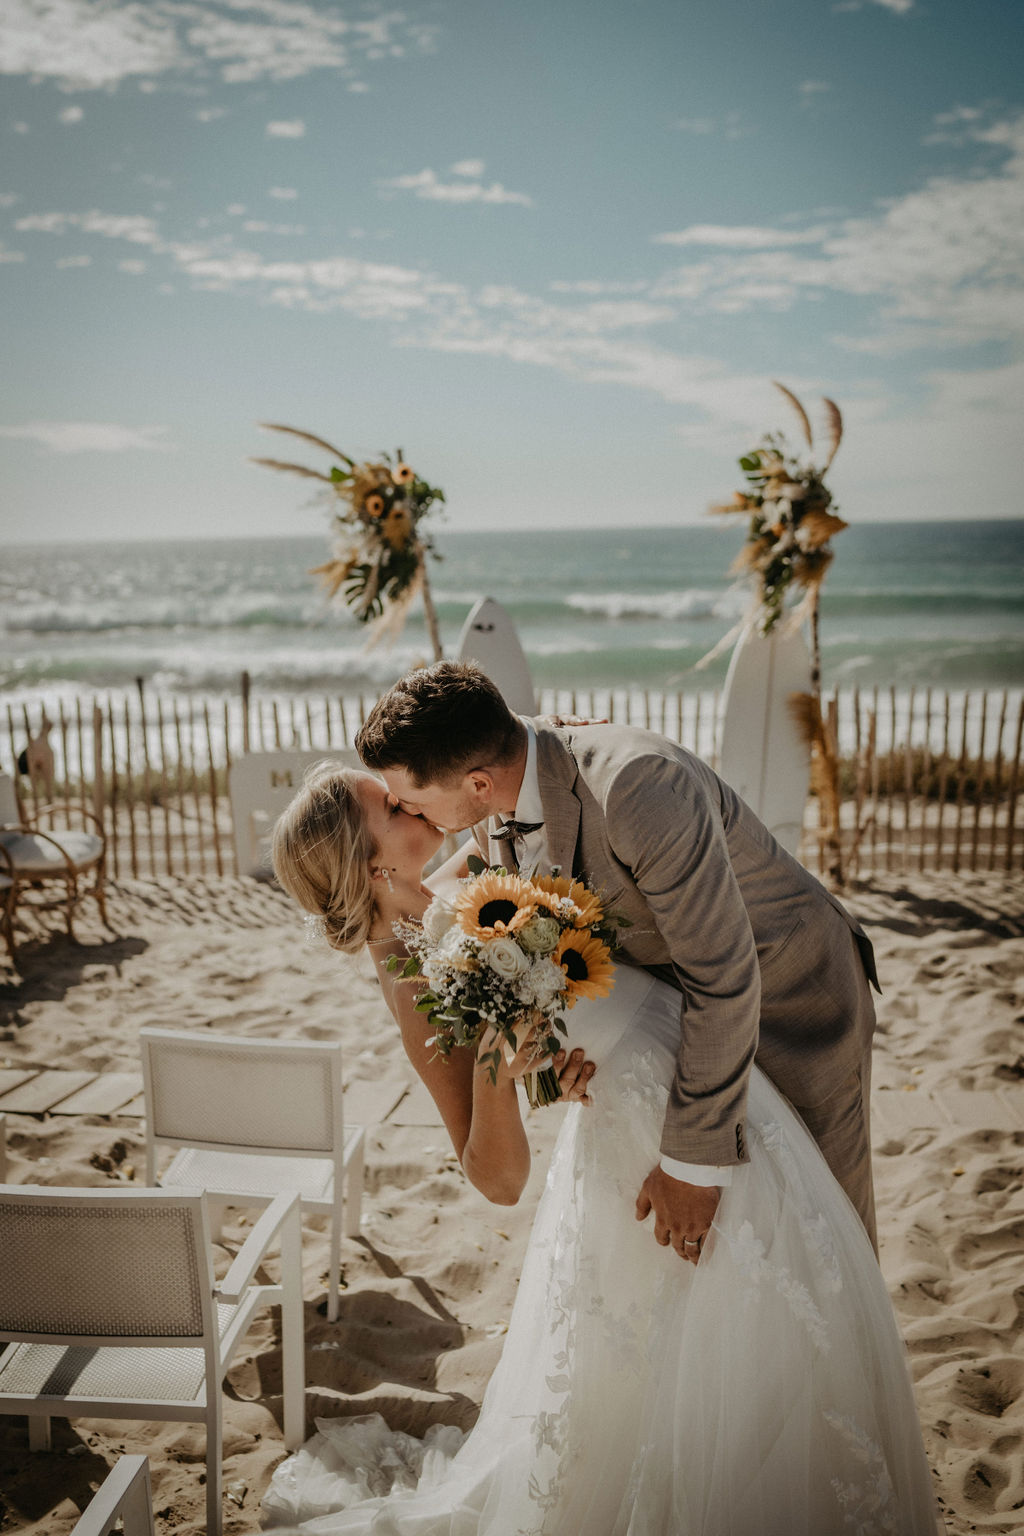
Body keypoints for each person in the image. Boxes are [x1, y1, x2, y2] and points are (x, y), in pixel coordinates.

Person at [262, 757, 940, 1535]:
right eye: (392, 806)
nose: (417, 803)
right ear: (373, 860)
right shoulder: (413, 980)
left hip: (701, 1086)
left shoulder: (475, 860)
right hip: (642, 1144)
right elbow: (495, 1175)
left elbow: (562, 1008)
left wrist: (553, 1073)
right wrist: (498, 1062)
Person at [354, 661, 882, 1263]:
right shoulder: (499, 787)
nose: (413, 813)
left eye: (413, 801)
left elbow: (724, 975)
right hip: (681, 1008)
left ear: (477, 783)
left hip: (799, 996)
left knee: (830, 1226)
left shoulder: (638, 785)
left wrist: (693, 1167)